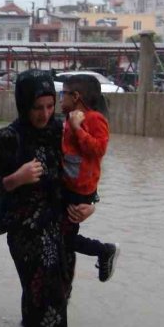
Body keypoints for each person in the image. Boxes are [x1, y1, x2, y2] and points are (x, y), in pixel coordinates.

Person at [0, 70, 95, 327]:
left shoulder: (63, 130)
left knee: (60, 291)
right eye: (36, 108)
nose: (44, 114)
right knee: (46, 291)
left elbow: (86, 172)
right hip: (27, 231)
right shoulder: (9, 138)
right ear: (22, 105)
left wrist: (91, 203)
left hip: (63, 225)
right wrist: (15, 179)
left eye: (50, 106)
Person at [59, 74, 120, 282]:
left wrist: (77, 129)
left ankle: (104, 251)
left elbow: (98, 149)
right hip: (68, 186)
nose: (60, 99)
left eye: (63, 94)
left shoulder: (94, 119)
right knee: (60, 235)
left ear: (75, 96)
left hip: (79, 190)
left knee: (64, 238)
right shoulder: (67, 119)